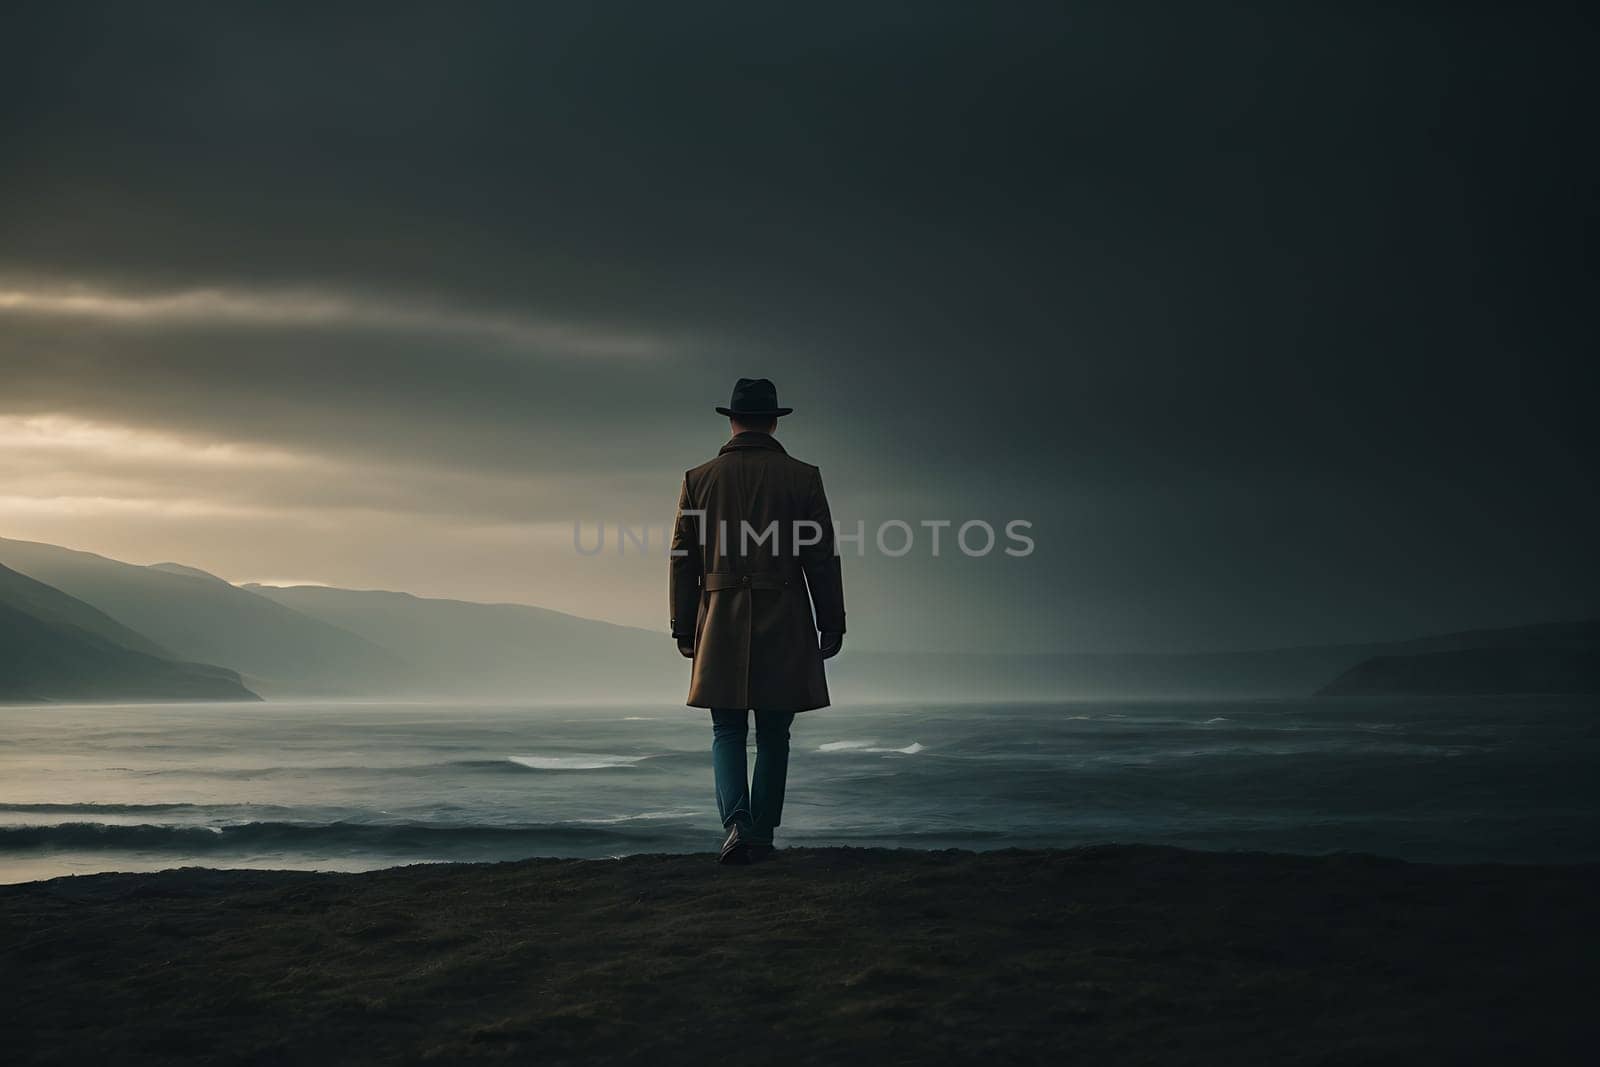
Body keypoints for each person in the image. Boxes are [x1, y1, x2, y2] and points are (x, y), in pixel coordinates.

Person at [669, 378, 846, 865]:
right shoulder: (803, 477)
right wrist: (831, 620)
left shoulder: (697, 478)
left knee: (726, 728)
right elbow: (821, 556)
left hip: (720, 617)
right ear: (773, 421)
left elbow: (683, 559)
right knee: (774, 732)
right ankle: (762, 834)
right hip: (785, 613)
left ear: (732, 420)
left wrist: (683, 626)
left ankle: (737, 825)